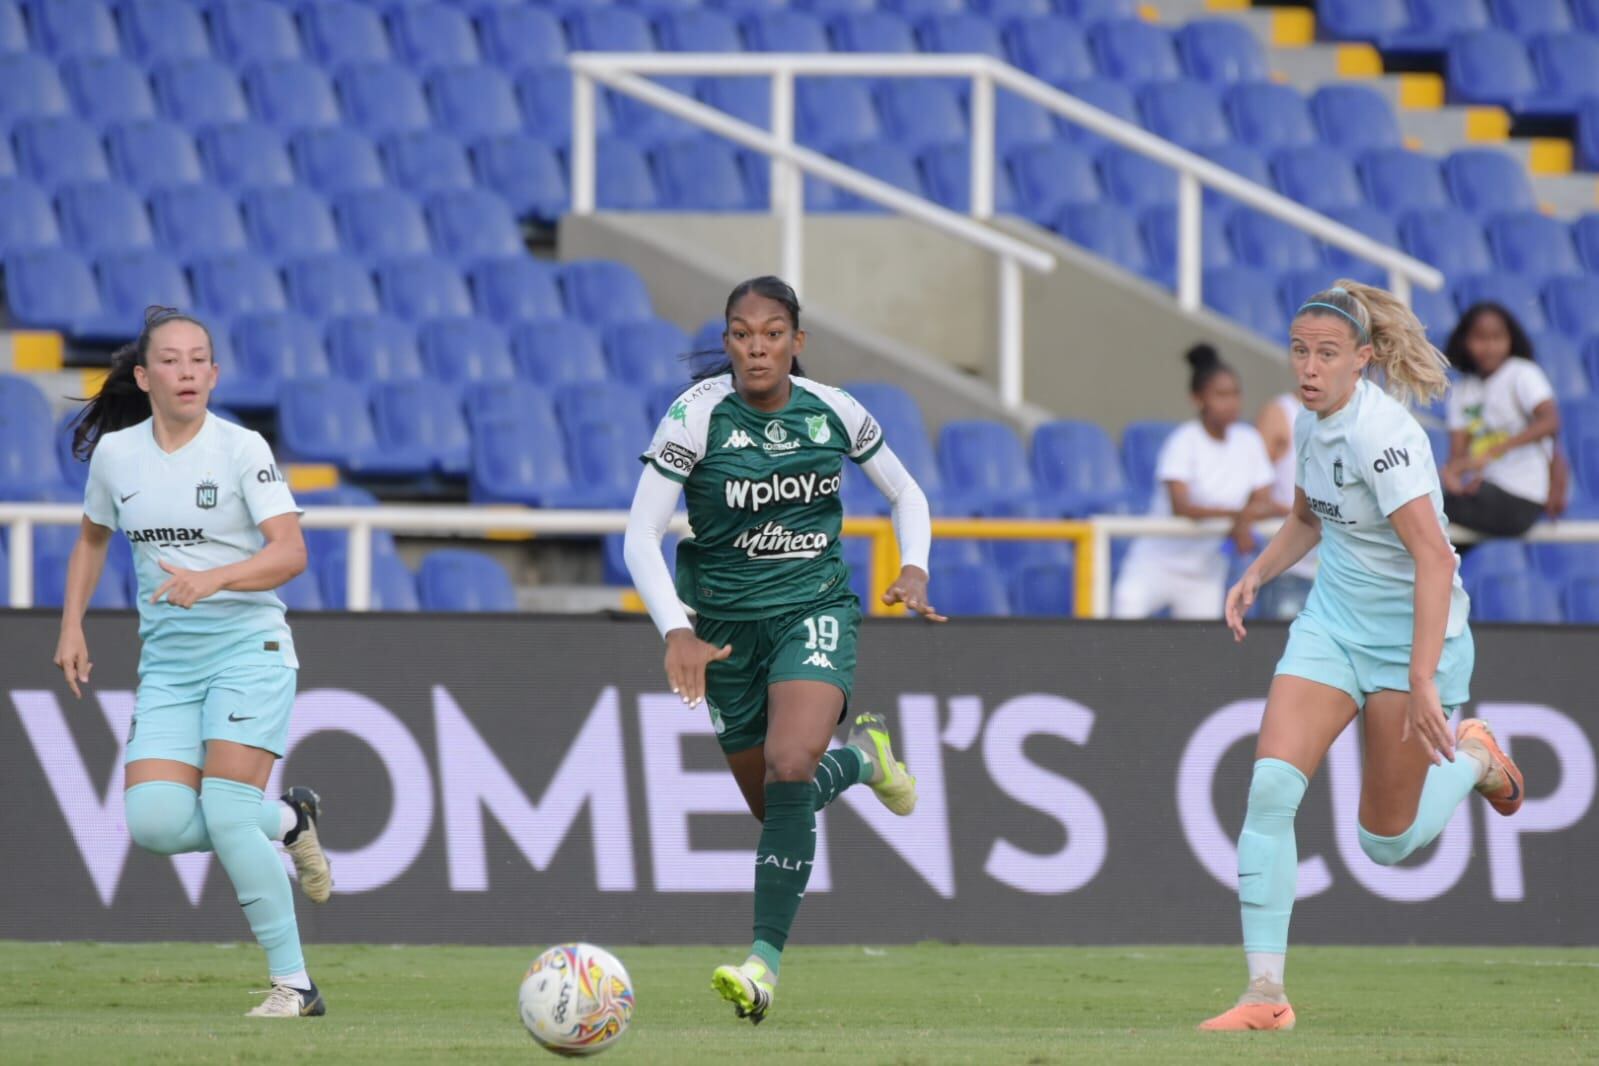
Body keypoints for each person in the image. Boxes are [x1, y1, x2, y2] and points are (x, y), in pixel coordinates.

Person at [1203, 282, 1525, 1032]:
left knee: (1385, 844)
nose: (1307, 368)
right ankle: (1264, 996)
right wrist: (1256, 573)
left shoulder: (1384, 438)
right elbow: (1307, 517)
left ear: (1362, 359)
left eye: (1325, 355)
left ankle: (1474, 757)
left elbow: (1435, 562)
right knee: (1270, 791)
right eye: (1298, 352)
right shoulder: (1311, 426)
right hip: (1331, 627)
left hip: (1414, 643)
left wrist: (1419, 680)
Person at [624, 276, 941, 1025]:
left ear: (796, 343)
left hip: (812, 610)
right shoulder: (694, 417)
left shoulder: (834, 410)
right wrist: (676, 628)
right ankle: (863, 760)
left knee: (790, 764)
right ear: (728, 342)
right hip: (725, 633)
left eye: (771, 333)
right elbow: (639, 534)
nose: (755, 347)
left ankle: (761, 964)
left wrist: (914, 564)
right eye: (741, 334)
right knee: (777, 804)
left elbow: (906, 494)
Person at [52, 306, 333, 1018]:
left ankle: (294, 986)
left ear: (213, 373)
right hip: (170, 666)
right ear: (144, 378)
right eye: (170, 360)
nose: (187, 371)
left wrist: (215, 578)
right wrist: (72, 625)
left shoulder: (241, 449)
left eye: (198, 359)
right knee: (153, 823)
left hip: (250, 650)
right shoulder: (118, 457)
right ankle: (290, 824)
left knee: (228, 812)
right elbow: (91, 540)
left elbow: (291, 553)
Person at [1113, 344, 1282, 619]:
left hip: (1204, 572)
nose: (1231, 403)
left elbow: (1264, 501)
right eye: (1221, 395)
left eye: (1236, 394)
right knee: (1122, 621)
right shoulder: (1183, 441)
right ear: (1198, 398)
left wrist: (1244, 518)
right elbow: (1183, 507)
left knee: (1199, 652)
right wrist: (1240, 516)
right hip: (1155, 562)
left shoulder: (1249, 441)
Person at [1441, 302, 1566, 537]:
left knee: (1432, 514)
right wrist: (1453, 475)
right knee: (1436, 521)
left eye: (1497, 337)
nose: (1489, 346)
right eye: (1479, 338)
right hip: (1484, 492)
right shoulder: (1461, 391)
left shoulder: (1522, 373)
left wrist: (1496, 449)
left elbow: (1551, 421)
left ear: (1510, 339)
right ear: (1464, 341)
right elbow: (1457, 456)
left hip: (1523, 496)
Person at [1257, 389, 1318, 582]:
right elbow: (1254, 495)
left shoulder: (1362, 414)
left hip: (1341, 571)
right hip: (1290, 568)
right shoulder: (1280, 413)